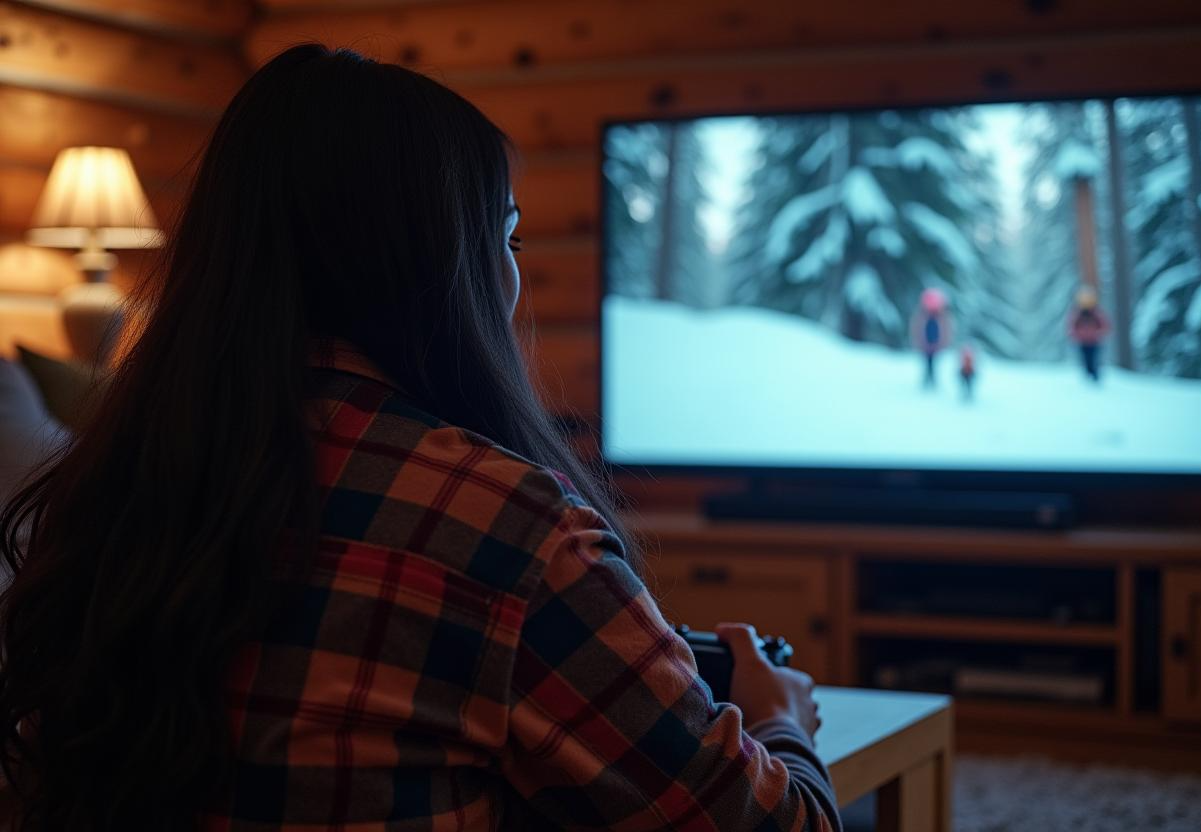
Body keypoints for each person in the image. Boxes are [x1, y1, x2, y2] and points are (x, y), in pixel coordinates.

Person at [0, 46, 840, 831]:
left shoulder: (99, 497)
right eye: (505, 237)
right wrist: (779, 716)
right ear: (447, 264)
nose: (512, 274)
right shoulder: (509, 528)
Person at [910, 287, 953, 388]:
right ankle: (927, 380)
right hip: (925, 345)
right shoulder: (921, 316)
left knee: (933, 363)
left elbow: (947, 331)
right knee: (927, 362)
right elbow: (916, 330)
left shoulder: (943, 317)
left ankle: (931, 380)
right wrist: (918, 342)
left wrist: (943, 343)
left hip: (936, 345)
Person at [1068, 286, 1111, 383]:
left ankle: (1095, 375)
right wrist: (1076, 335)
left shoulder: (1096, 313)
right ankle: (1088, 375)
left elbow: (1105, 325)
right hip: (1083, 341)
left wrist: (1099, 333)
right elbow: (1072, 326)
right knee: (1085, 359)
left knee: (1094, 358)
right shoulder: (1078, 313)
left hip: (1094, 341)